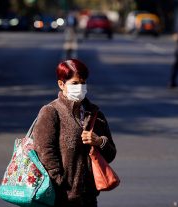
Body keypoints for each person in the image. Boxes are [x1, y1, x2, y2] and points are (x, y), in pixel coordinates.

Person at [33, 59, 117, 207]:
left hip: (89, 196)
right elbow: (45, 152)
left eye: (83, 83)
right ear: (61, 84)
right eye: (75, 83)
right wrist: (60, 183)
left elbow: (111, 154)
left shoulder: (95, 114)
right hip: (62, 198)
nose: (80, 87)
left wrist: (99, 142)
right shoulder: (51, 111)